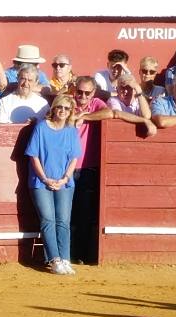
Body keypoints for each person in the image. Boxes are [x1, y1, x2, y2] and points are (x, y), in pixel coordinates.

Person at [25, 94, 81, 275]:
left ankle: (65, 258)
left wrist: (65, 178)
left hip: (64, 182)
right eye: (60, 107)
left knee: (63, 221)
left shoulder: (71, 131)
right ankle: (54, 259)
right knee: (48, 219)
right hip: (41, 182)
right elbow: (33, 156)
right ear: (53, 108)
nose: (63, 111)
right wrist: (44, 178)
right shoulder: (41, 128)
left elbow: (74, 158)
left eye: (66, 108)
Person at [69, 76, 112, 265]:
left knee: (85, 215)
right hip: (67, 167)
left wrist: (84, 116)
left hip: (88, 167)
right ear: (74, 90)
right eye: (80, 92)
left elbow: (109, 113)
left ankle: (82, 255)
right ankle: (67, 254)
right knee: (68, 214)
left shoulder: (96, 104)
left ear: (93, 93)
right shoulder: (67, 103)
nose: (83, 96)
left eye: (87, 93)